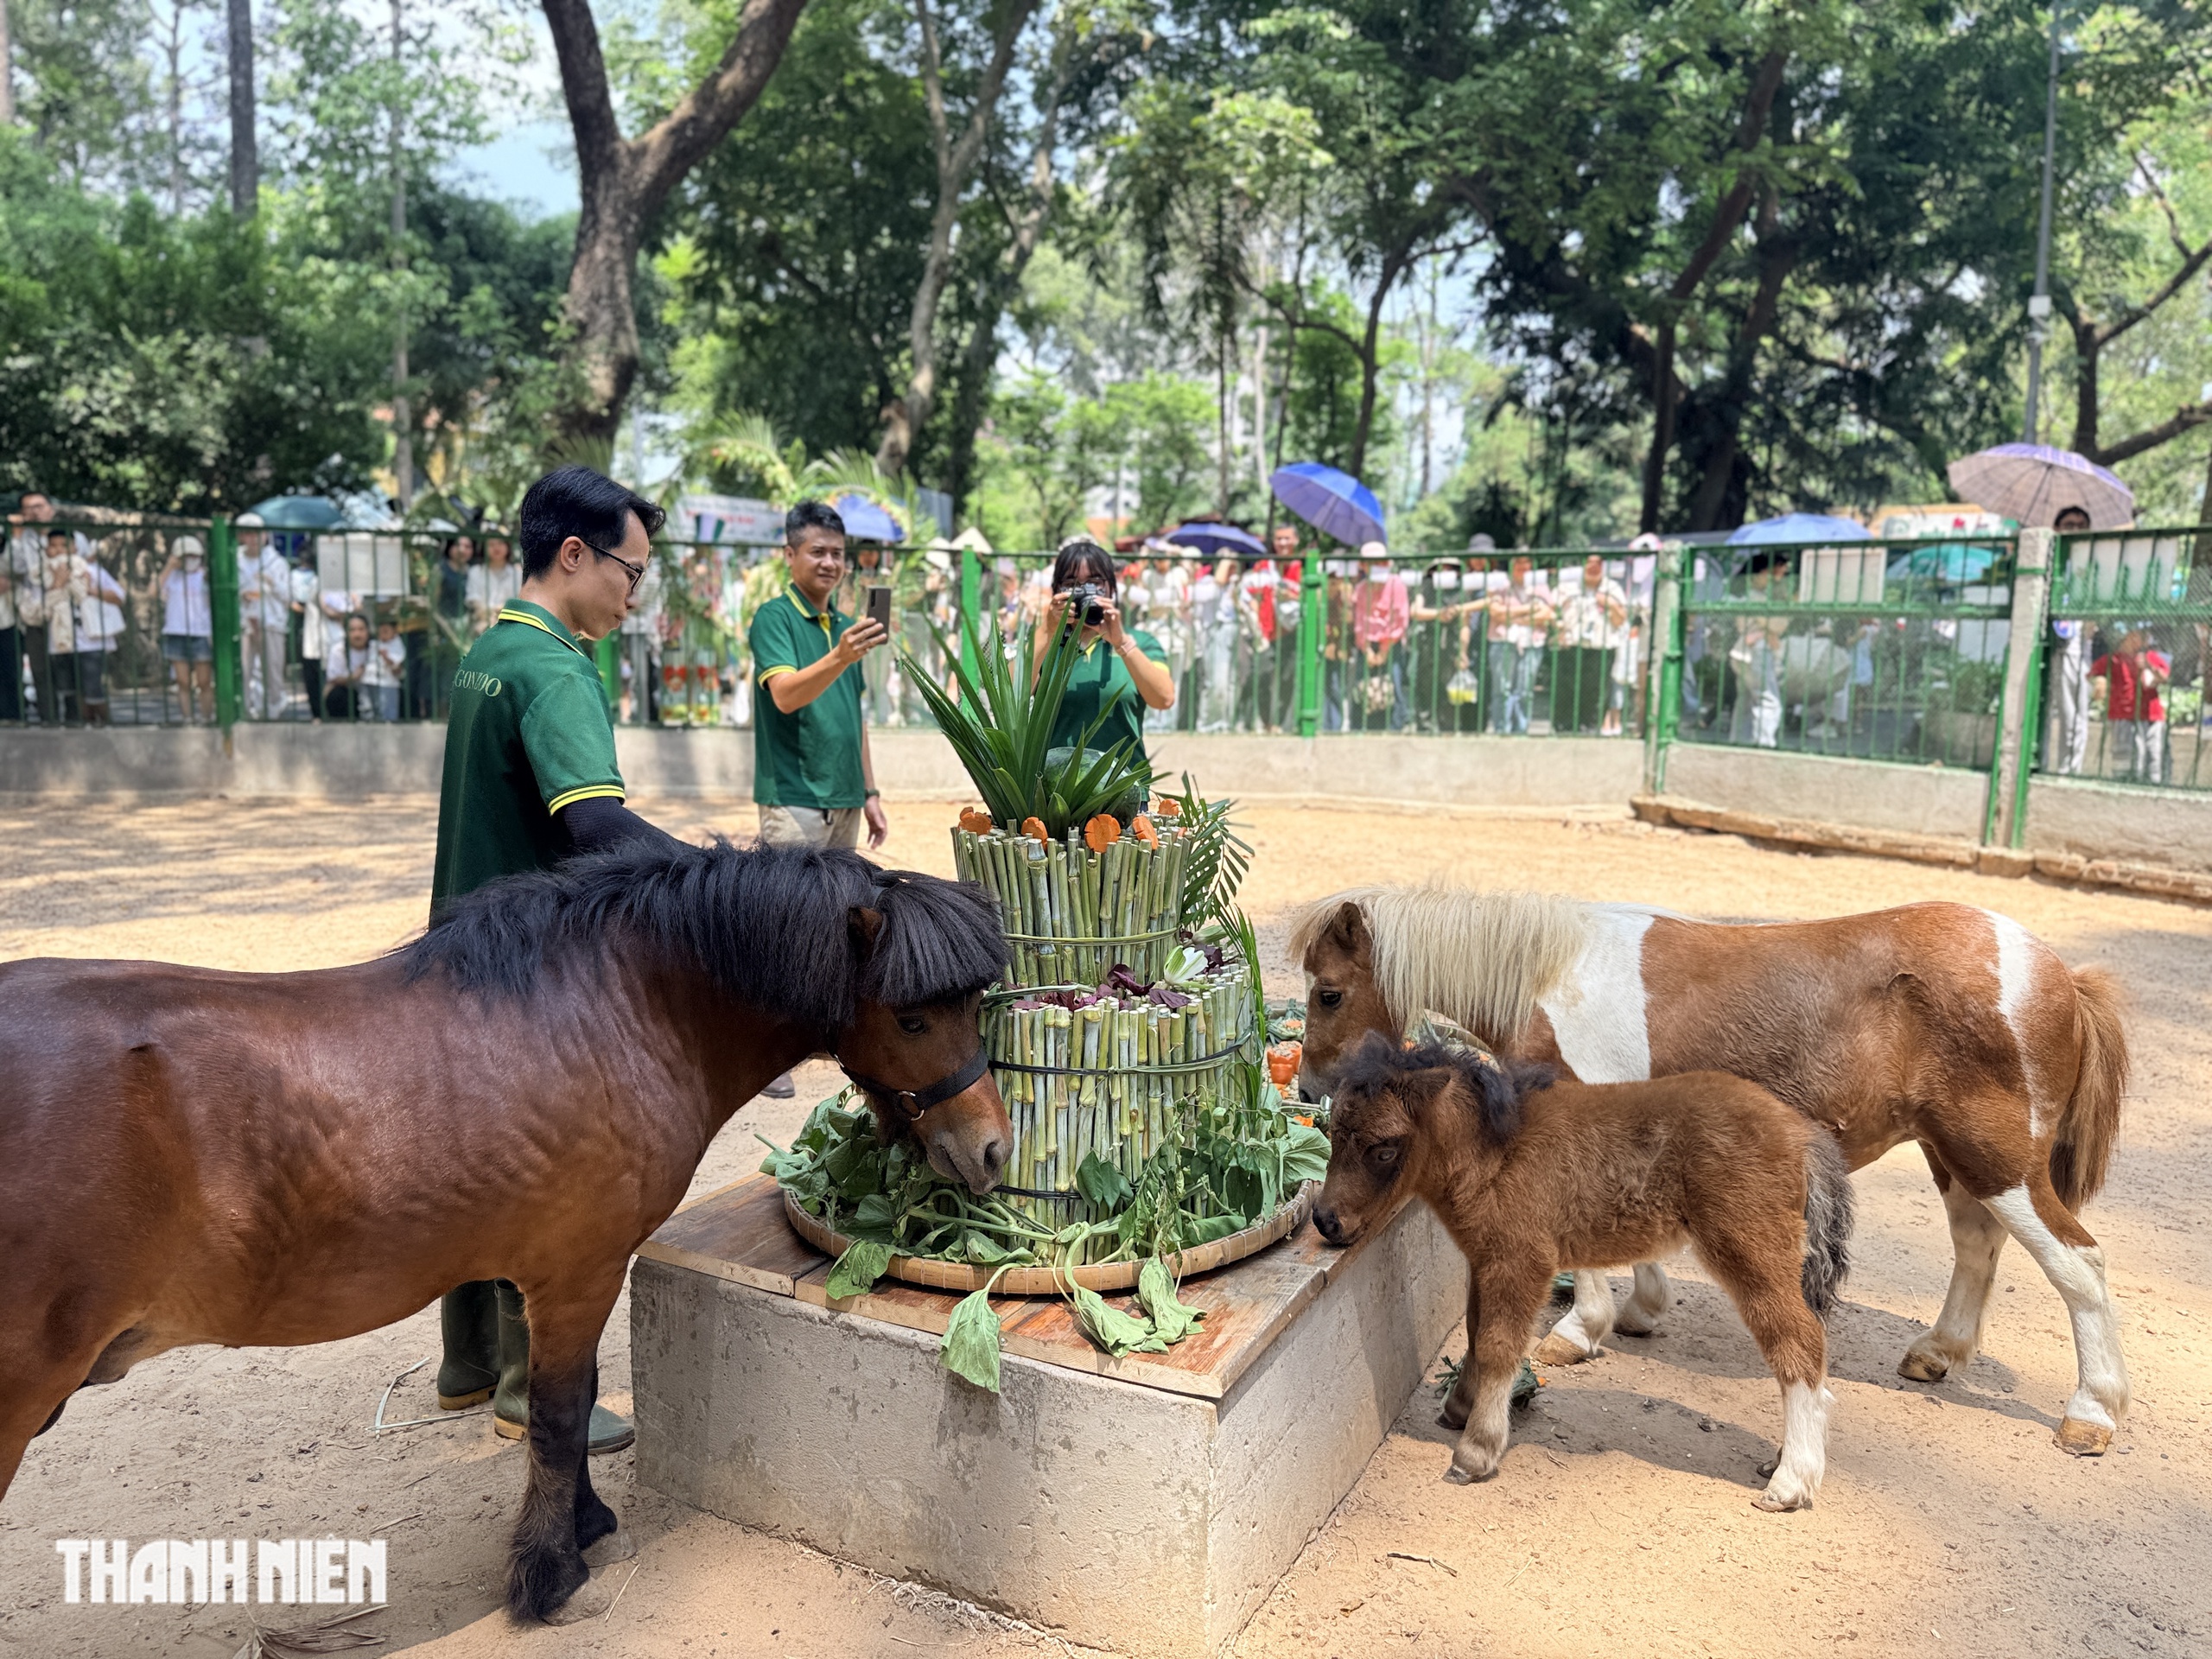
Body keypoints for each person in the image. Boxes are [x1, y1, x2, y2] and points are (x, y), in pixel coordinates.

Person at [430, 463, 679, 1459]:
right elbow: (593, 823)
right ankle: (535, 1386)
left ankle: (470, 1362)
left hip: (461, 944)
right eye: (630, 570)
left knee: (469, 1157)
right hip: (532, 965)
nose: (634, 593)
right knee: (556, 1174)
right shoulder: (556, 667)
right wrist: (705, 873)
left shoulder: (487, 649)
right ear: (572, 554)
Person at [750, 499, 890, 854]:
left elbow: (854, 718)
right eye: (818, 552)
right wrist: (841, 656)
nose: (830, 563)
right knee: (790, 910)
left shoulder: (847, 628)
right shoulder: (774, 618)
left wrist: (869, 793)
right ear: (789, 555)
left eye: (838, 554)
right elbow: (784, 696)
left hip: (848, 800)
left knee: (842, 908)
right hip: (794, 801)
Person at [1030, 537, 1175, 774]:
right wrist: (1047, 631)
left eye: (1095, 583)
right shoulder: (1043, 643)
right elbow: (1013, 694)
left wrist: (1122, 644)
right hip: (1054, 791)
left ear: (1112, 588)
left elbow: (1164, 699)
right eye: (1072, 584)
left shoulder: (1141, 642)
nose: (1085, 592)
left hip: (1125, 791)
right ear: (1056, 590)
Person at [1552, 553, 1629, 734]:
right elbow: (1551, 610)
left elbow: (1621, 620)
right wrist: (1558, 627)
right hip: (1571, 644)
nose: (1593, 567)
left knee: (1595, 690)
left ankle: (1589, 727)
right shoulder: (1568, 587)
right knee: (1566, 687)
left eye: (1598, 564)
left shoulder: (1612, 588)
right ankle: (1563, 726)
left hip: (1601, 646)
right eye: (1590, 563)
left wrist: (1610, 603)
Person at [1476, 554, 1550, 734]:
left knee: (1525, 690)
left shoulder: (1540, 587)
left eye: (1527, 564)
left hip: (1532, 642)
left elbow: (1546, 614)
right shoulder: (1500, 585)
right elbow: (1497, 613)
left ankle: (1521, 730)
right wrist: (1527, 611)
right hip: (1503, 641)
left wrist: (1513, 616)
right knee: (1501, 689)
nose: (1523, 568)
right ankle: (1502, 729)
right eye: (1519, 564)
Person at [2046, 505, 2095, 775]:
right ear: (2057, 528)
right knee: (2040, 707)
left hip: (2074, 642)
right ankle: (2035, 764)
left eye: (2081, 525)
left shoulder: (2092, 562)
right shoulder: (2047, 556)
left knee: (2073, 711)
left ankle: (2069, 771)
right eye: (2069, 524)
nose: (2075, 530)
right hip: (2042, 640)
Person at [1727, 551, 1790, 748]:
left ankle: (1739, 742)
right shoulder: (1756, 596)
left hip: (1743, 652)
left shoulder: (1745, 594)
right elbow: (1779, 624)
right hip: (1757, 652)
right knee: (1769, 700)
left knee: (1746, 700)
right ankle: (1764, 744)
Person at [2091, 626, 2170, 784]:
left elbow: (2164, 677)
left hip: (2150, 714)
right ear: (2129, 636)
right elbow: (2093, 675)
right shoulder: (2113, 659)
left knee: (2152, 753)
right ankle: (2123, 783)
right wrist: (2099, 683)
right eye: (2140, 636)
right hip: (2123, 714)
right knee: (2125, 756)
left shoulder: (2150, 657)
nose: (2145, 640)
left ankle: (2152, 784)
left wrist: (2149, 667)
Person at [237, 515, 295, 720]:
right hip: (244, 621)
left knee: (272, 670)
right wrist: (241, 594)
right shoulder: (235, 560)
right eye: (249, 534)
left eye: (258, 534)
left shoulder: (276, 562)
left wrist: (272, 584)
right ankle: (244, 711)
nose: (254, 538)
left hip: (271, 622)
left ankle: (273, 710)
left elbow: (289, 596)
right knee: (244, 670)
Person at [1350, 543, 1409, 731]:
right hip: (1366, 645)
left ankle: (1395, 729)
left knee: (1394, 687)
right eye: (1371, 563)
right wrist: (1366, 649)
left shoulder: (1396, 584)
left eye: (1380, 562)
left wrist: (1384, 650)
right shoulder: (1360, 589)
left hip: (1391, 645)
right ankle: (1364, 730)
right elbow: (1359, 622)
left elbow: (1400, 618)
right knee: (1363, 689)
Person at [161, 534, 216, 724]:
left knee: (204, 681)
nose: (190, 559)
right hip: (176, 632)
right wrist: (169, 568)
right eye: (186, 556)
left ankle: (206, 717)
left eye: (194, 555)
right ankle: (187, 717)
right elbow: (153, 592)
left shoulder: (205, 576)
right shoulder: (172, 577)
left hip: (200, 633)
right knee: (183, 681)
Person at [465, 532, 523, 638]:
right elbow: (473, 599)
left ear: (507, 546)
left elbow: (520, 599)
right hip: (481, 625)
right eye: (491, 544)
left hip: (511, 625)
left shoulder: (517, 573)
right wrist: (489, 614)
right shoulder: (475, 572)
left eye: (500, 543)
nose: (496, 548)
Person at [323, 613, 372, 720]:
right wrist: (353, 678)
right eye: (353, 630)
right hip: (349, 691)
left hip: (372, 691)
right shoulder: (338, 650)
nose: (357, 634)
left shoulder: (375, 648)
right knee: (338, 695)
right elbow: (333, 678)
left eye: (361, 629)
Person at [365, 611, 407, 721]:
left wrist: (386, 658)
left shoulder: (397, 645)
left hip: (388, 683)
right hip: (371, 681)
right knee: (372, 708)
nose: (383, 635)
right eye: (381, 632)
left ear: (394, 631)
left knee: (387, 710)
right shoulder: (374, 643)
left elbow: (397, 665)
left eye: (386, 631)